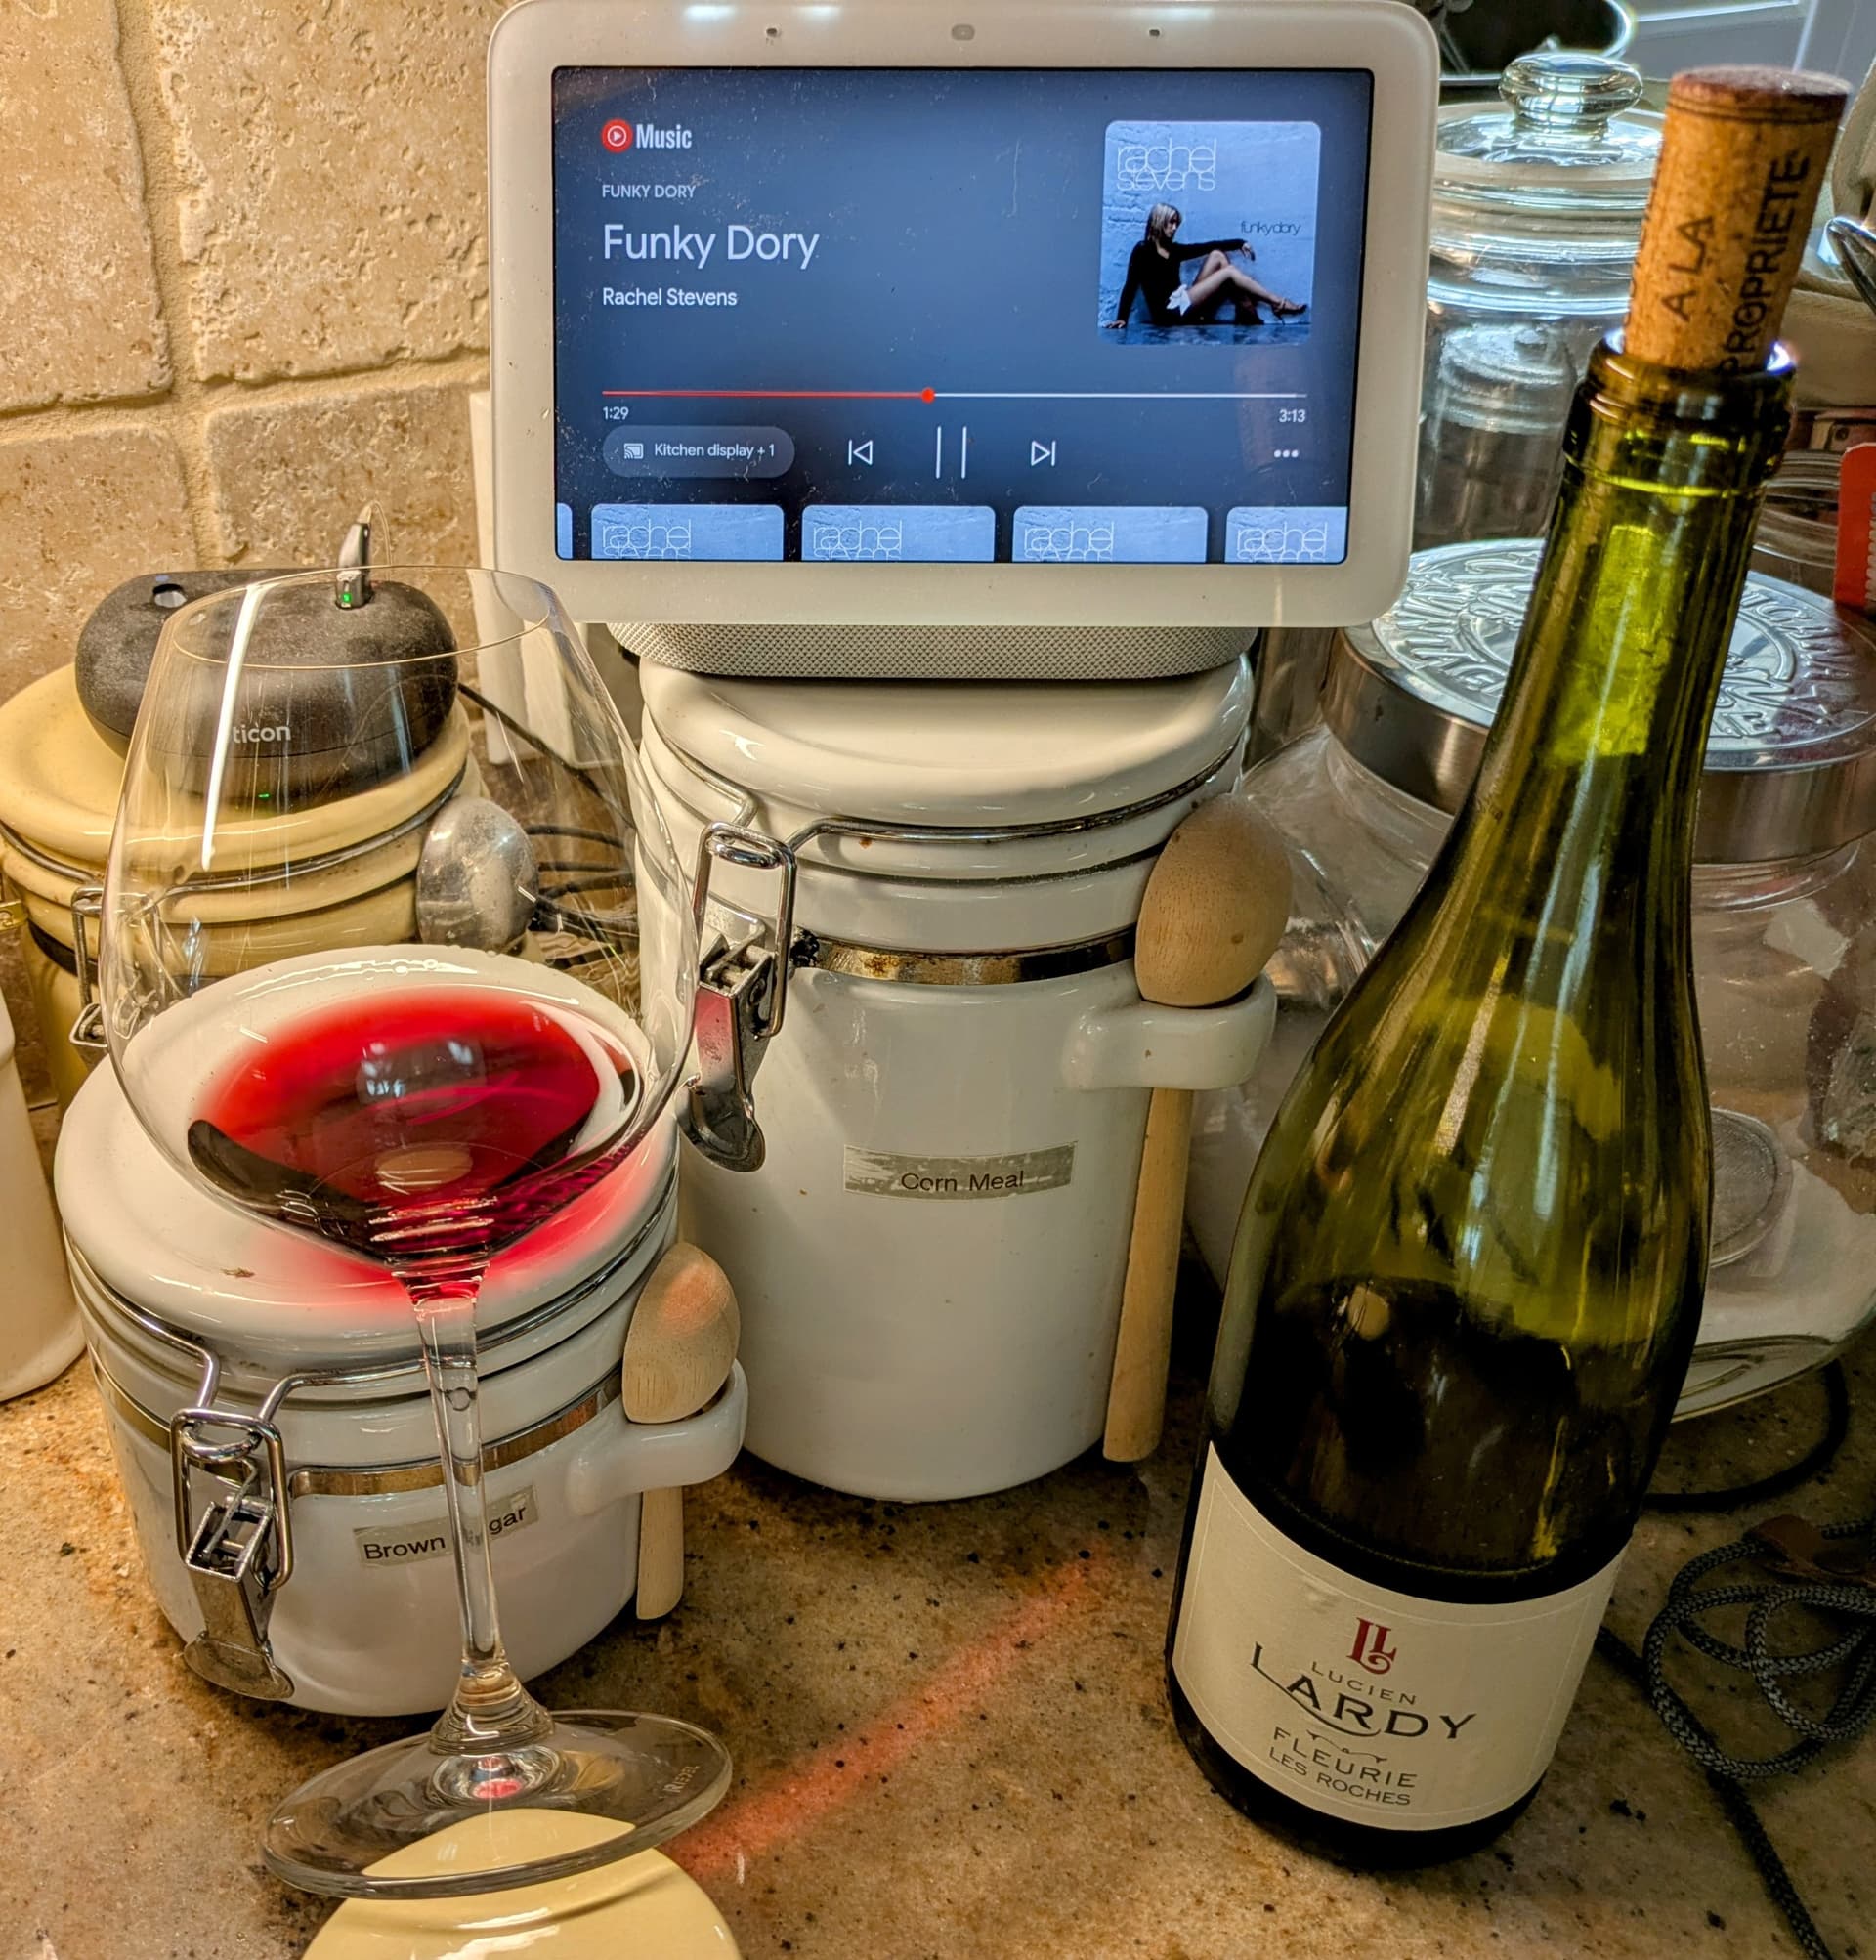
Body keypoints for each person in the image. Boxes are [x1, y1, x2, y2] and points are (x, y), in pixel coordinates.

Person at [1104, 203, 1304, 331]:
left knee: (1217, 255)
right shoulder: (1142, 250)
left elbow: (1207, 246)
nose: (1174, 228)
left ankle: (1246, 310)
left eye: (1176, 223)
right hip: (1168, 315)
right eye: (1171, 223)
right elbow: (1130, 285)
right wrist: (1122, 318)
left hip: (1183, 302)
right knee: (1228, 272)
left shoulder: (1173, 250)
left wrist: (1239, 243)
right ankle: (1276, 303)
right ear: (1158, 222)